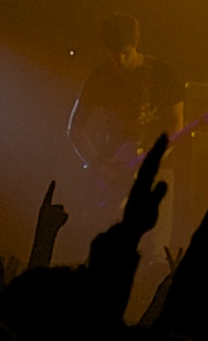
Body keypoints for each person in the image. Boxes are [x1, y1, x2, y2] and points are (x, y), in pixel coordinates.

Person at [66, 14, 185, 211]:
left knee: (153, 241)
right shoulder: (99, 78)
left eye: (125, 52)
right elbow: (75, 129)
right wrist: (97, 164)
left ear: (135, 45)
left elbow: (176, 124)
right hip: (114, 172)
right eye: (113, 53)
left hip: (157, 172)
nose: (119, 59)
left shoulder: (163, 76)